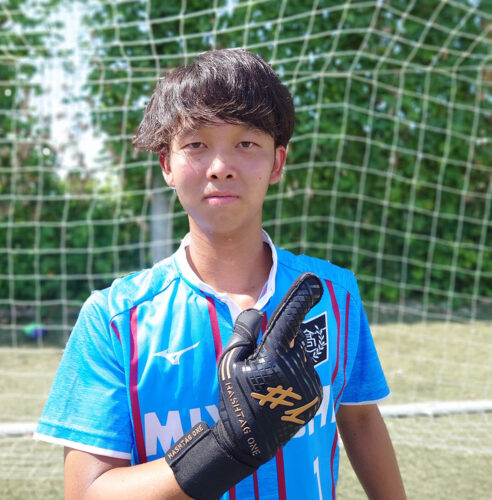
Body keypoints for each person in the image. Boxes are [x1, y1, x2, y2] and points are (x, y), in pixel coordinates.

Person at [34, 48, 406, 500]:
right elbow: (88, 492)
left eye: (246, 144)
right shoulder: (113, 319)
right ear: (167, 165)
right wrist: (228, 447)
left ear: (277, 163)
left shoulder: (335, 294)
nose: (220, 167)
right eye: (196, 145)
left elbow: (360, 417)